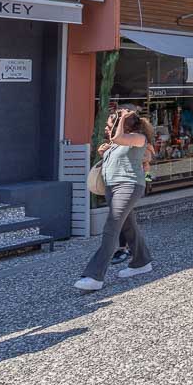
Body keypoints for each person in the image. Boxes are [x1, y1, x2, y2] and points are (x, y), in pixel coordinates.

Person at [75, 109, 155, 292]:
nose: (106, 127)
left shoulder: (138, 137)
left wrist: (122, 119)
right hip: (112, 187)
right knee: (128, 226)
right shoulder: (116, 143)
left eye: (109, 124)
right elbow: (118, 159)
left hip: (128, 186)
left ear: (123, 124)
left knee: (111, 227)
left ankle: (94, 276)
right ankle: (141, 262)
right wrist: (104, 154)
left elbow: (123, 140)